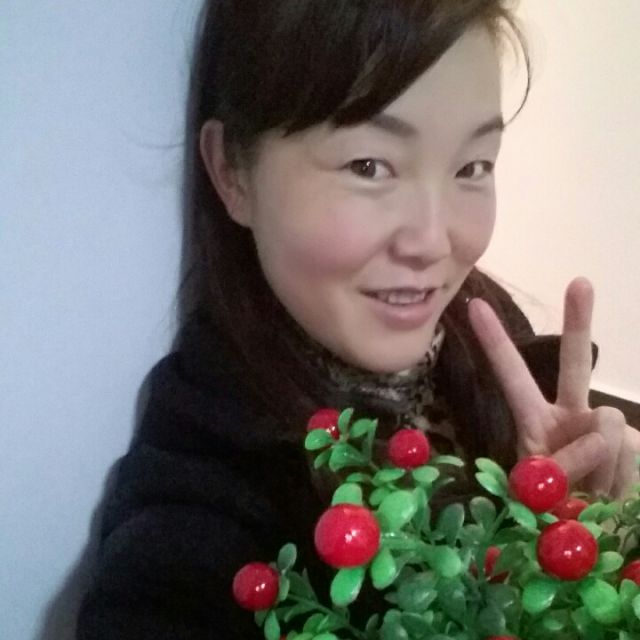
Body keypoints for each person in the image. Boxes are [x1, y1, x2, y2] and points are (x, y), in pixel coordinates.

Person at [76, 1, 640, 638]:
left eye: (472, 166)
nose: (434, 242)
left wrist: (581, 531)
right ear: (232, 172)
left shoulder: (486, 332)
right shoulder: (206, 499)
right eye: (368, 166)